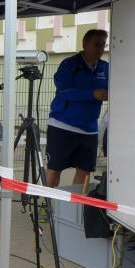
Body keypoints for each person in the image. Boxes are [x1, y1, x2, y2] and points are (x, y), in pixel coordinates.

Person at [46, 29, 109, 188]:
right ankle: (47, 202)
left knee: (85, 172)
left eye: (103, 45)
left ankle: (77, 203)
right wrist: (93, 94)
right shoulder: (69, 64)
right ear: (85, 44)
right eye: (97, 44)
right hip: (62, 125)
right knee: (54, 170)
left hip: (89, 129)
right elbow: (64, 91)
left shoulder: (106, 68)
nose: (101, 48)